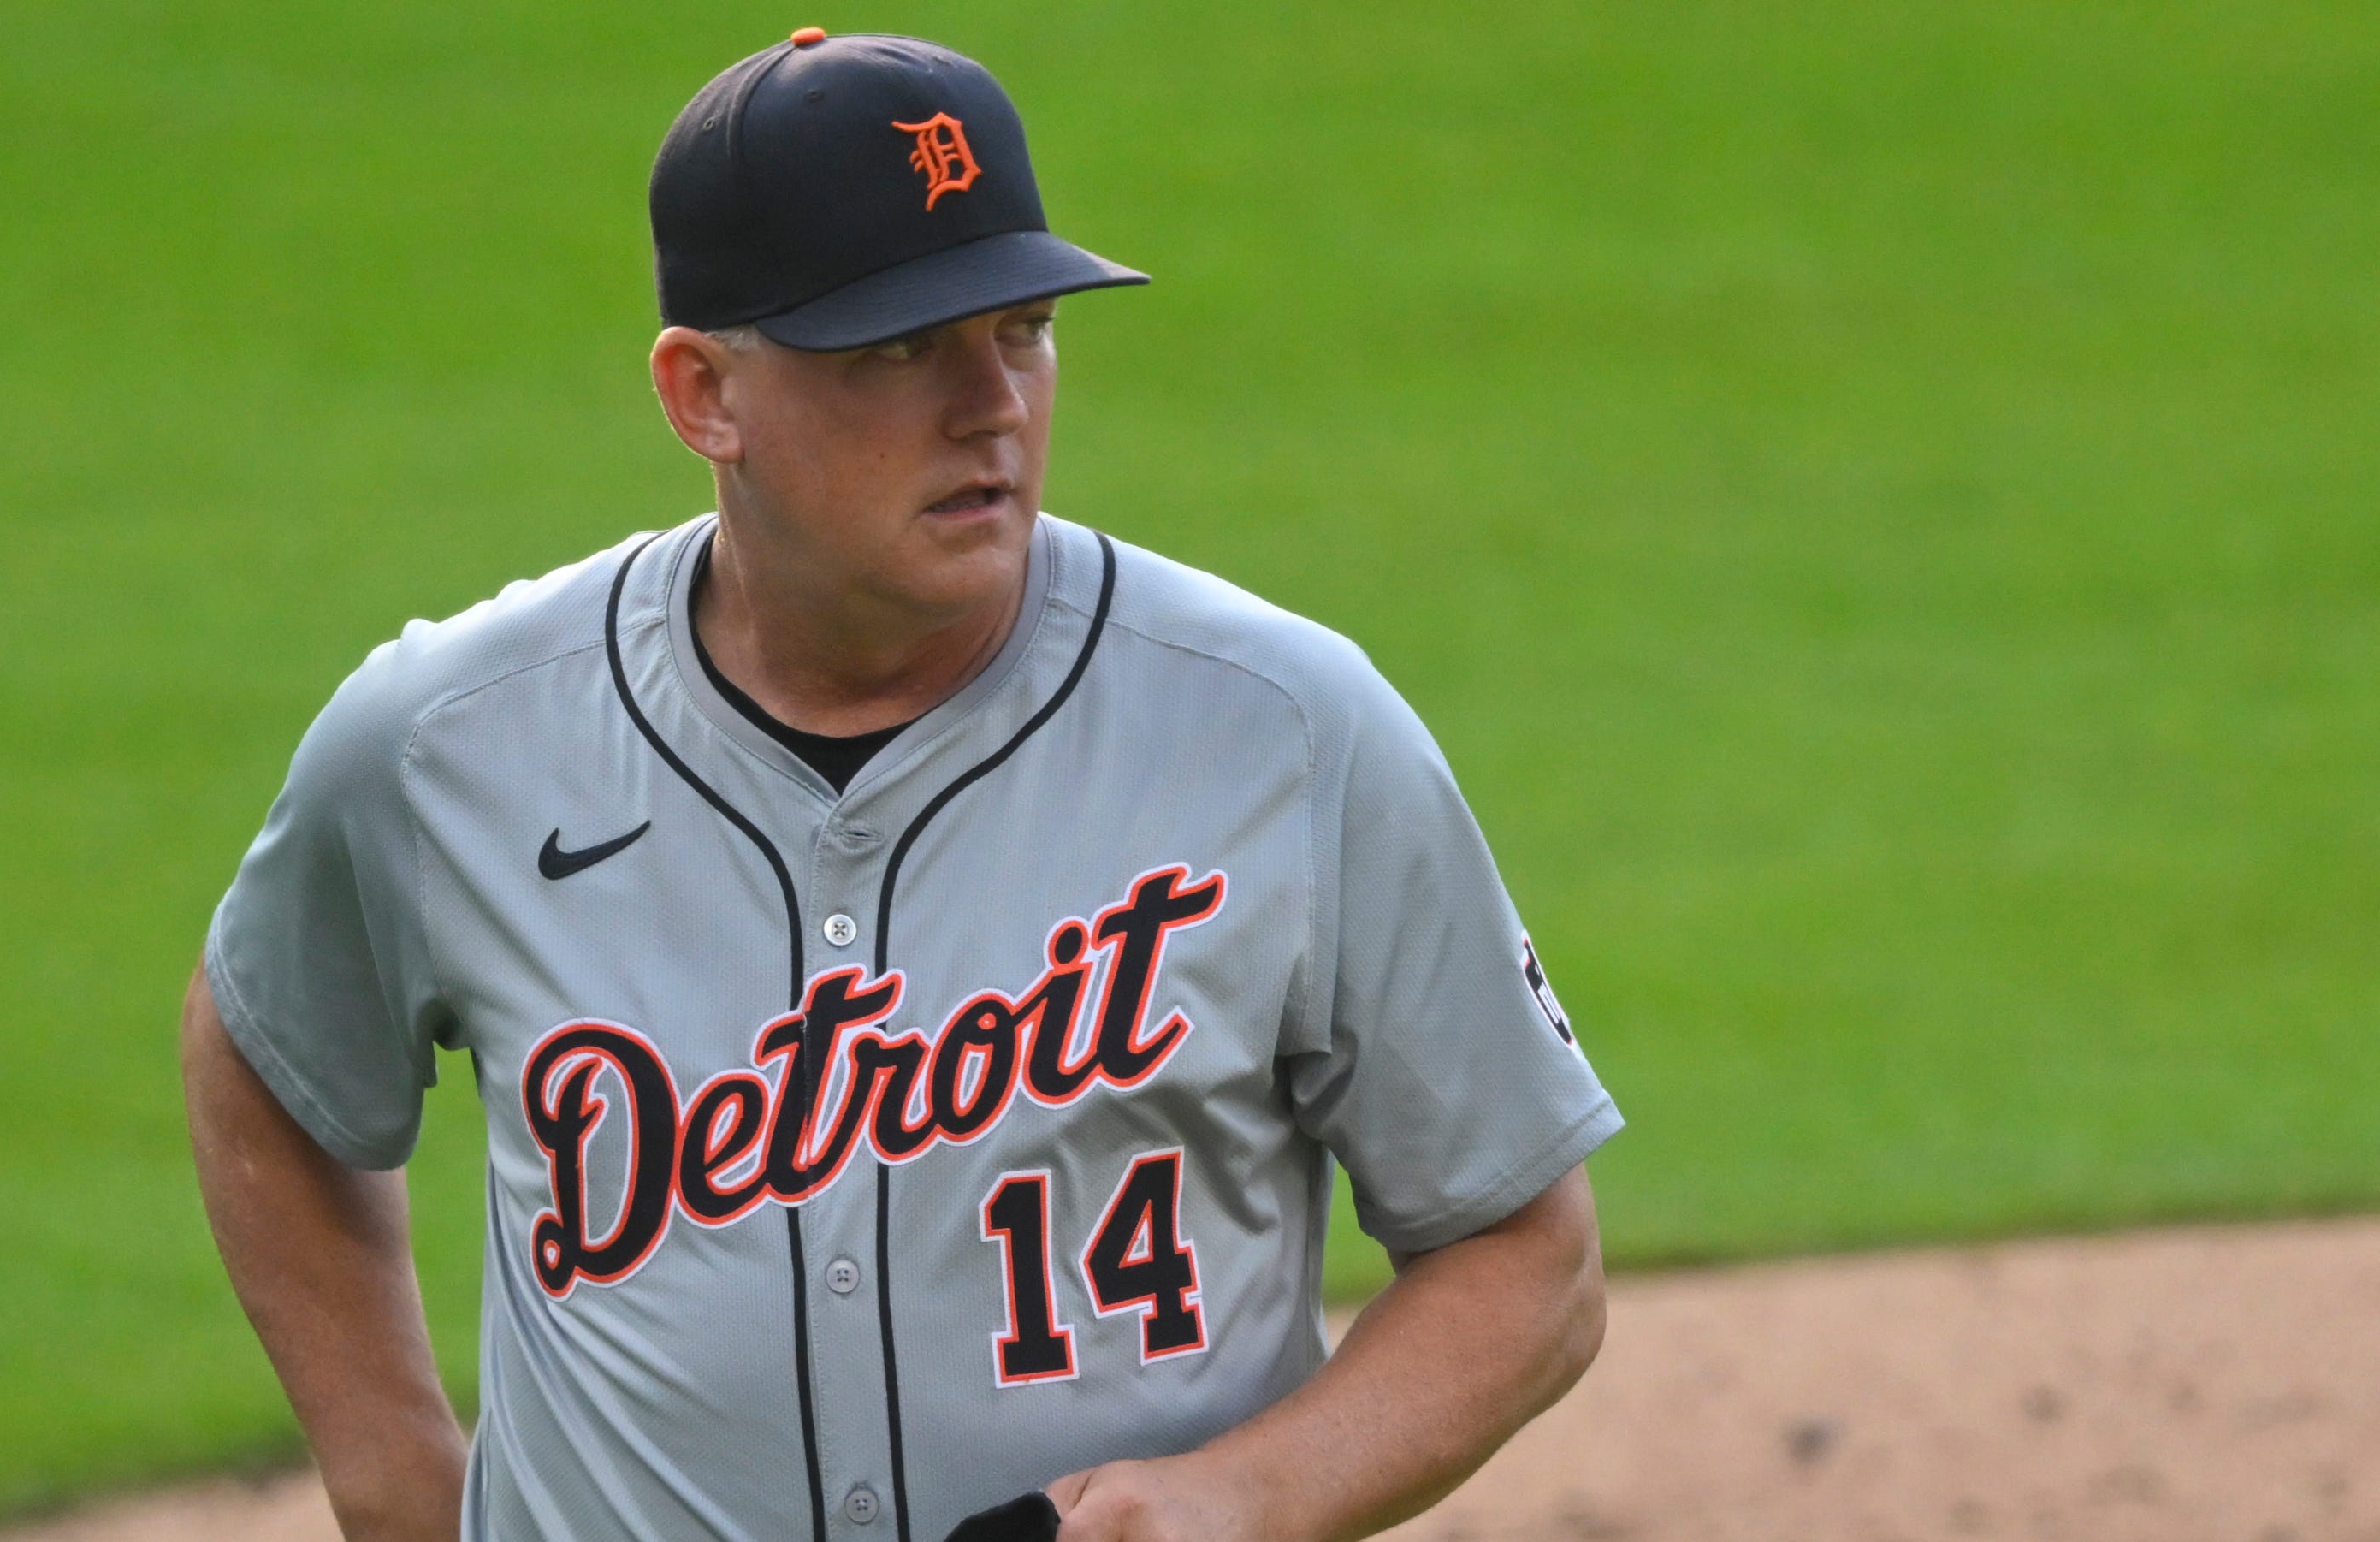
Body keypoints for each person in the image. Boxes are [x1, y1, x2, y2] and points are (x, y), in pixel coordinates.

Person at [182, 29, 1620, 1542]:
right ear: (703, 395)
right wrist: (398, 1472)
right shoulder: (449, 746)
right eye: (897, 349)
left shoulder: (1286, 728)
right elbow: (265, 1050)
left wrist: (1245, 1496)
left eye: (1021, 330)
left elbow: (1533, 1257)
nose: (989, 404)